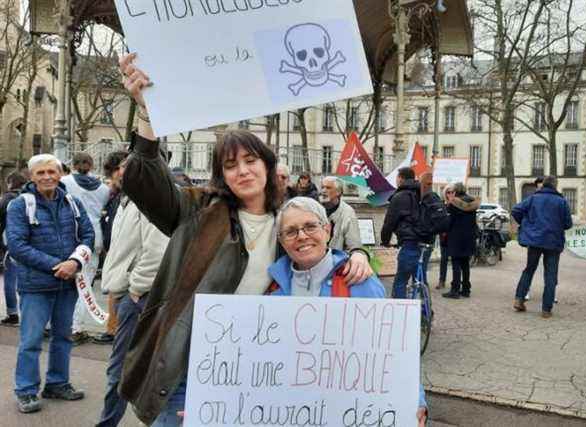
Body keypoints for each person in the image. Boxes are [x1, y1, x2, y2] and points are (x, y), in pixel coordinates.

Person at [117, 52, 372, 426]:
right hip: (189, 365)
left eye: (250, 160)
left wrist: (359, 253)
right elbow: (144, 182)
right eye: (231, 164)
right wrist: (146, 114)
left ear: (267, 166)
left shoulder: (288, 218)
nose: (243, 170)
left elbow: (317, 251)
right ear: (222, 175)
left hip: (254, 369)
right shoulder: (198, 210)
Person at [267, 197, 428, 426]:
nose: (302, 236)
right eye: (291, 232)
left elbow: (395, 352)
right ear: (282, 241)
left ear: (327, 229)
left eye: (310, 226)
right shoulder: (271, 290)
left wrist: (416, 400)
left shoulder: (359, 282)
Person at [5, 154, 95, 413]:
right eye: (41, 173)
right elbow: (17, 245)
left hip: (67, 285)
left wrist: (75, 263)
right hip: (36, 286)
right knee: (31, 340)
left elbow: (88, 235)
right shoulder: (20, 205)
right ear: (32, 177)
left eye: (51, 172)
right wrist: (58, 266)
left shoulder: (72, 202)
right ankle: (26, 391)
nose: (47, 177)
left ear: (60, 174)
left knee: (63, 337)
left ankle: (57, 383)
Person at [96, 154, 170, 427]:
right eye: (120, 168)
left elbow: (158, 251)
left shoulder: (149, 201)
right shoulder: (127, 201)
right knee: (130, 370)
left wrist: (135, 288)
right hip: (127, 293)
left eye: (128, 168)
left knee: (123, 371)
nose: (121, 173)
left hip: (139, 297)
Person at [61, 152, 110, 344]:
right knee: (84, 286)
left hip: (70, 235)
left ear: (73, 164)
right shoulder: (104, 189)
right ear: (91, 165)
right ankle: (76, 328)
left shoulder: (65, 181)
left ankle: (60, 325)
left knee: (64, 284)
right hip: (93, 237)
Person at [511, 176, 572, 318]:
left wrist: (526, 224)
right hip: (553, 242)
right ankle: (546, 309)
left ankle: (519, 299)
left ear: (543, 185)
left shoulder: (533, 198)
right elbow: (568, 224)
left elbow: (515, 210)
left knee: (529, 269)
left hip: (534, 240)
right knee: (550, 275)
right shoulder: (561, 201)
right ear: (555, 186)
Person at [93, 151, 129, 345]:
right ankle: (112, 329)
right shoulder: (114, 196)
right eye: (115, 169)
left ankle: (116, 330)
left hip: (128, 259)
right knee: (114, 293)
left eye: (121, 168)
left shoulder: (133, 196)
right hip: (113, 252)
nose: (118, 174)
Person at [381, 167, 422, 299]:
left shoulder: (399, 196)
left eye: (397, 178)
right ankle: (425, 311)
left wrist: (385, 241)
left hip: (409, 242)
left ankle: (400, 314)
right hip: (425, 242)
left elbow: (389, 223)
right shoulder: (422, 193)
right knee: (420, 280)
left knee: (401, 281)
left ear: (401, 179)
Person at [442, 183, 480, 299]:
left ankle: (455, 290)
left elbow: (449, 222)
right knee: (465, 264)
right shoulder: (472, 203)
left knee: (456, 264)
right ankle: (466, 289)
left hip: (456, 237)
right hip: (469, 237)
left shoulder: (453, 203)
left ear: (456, 191)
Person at [0, 171, 27, 325]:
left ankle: (12, 314)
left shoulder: (7, 199)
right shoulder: (30, 197)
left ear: (10, 183)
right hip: (28, 244)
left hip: (11, 244)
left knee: (10, 280)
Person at [319, 176, 363, 252]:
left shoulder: (347, 212)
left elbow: (354, 245)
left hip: (337, 260)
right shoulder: (314, 209)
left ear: (338, 192)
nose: (323, 191)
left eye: (328, 188)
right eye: (322, 187)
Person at [437, 184, 455, 290]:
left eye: (452, 192)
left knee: (454, 260)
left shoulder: (457, 205)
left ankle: (455, 282)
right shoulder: (442, 205)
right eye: (448, 192)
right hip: (444, 236)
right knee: (443, 259)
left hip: (454, 236)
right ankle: (441, 281)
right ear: (445, 194)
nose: (451, 194)